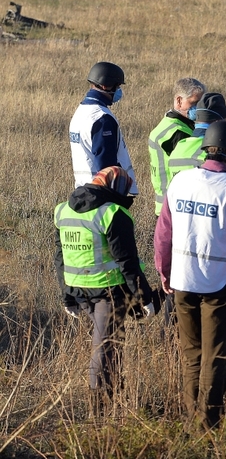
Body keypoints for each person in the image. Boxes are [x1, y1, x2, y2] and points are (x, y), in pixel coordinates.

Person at [154, 120, 226, 429]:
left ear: (207, 148)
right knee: (216, 355)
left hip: (181, 281)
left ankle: (193, 419)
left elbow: (163, 234)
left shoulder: (179, 181)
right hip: (220, 284)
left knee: (191, 353)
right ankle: (209, 424)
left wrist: (164, 272)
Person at [53, 167, 156, 416]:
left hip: (79, 291)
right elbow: (127, 262)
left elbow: (60, 257)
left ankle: (112, 399)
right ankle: (97, 412)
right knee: (105, 348)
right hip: (108, 291)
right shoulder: (112, 213)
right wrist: (144, 297)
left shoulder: (62, 210)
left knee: (111, 345)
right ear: (117, 188)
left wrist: (67, 295)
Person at [69, 62, 138, 194]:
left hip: (83, 191)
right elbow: (107, 166)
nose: (119, 91)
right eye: (117, 86)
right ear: (106, 85)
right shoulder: (102, 118)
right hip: (102, 194)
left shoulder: (81, 112)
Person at [148, 77, 205, 216]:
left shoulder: (169, 123)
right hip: (174, 208)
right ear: (179, 101)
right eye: (194, 103)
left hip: (170, 206)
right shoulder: (176, 133)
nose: (199, 108)